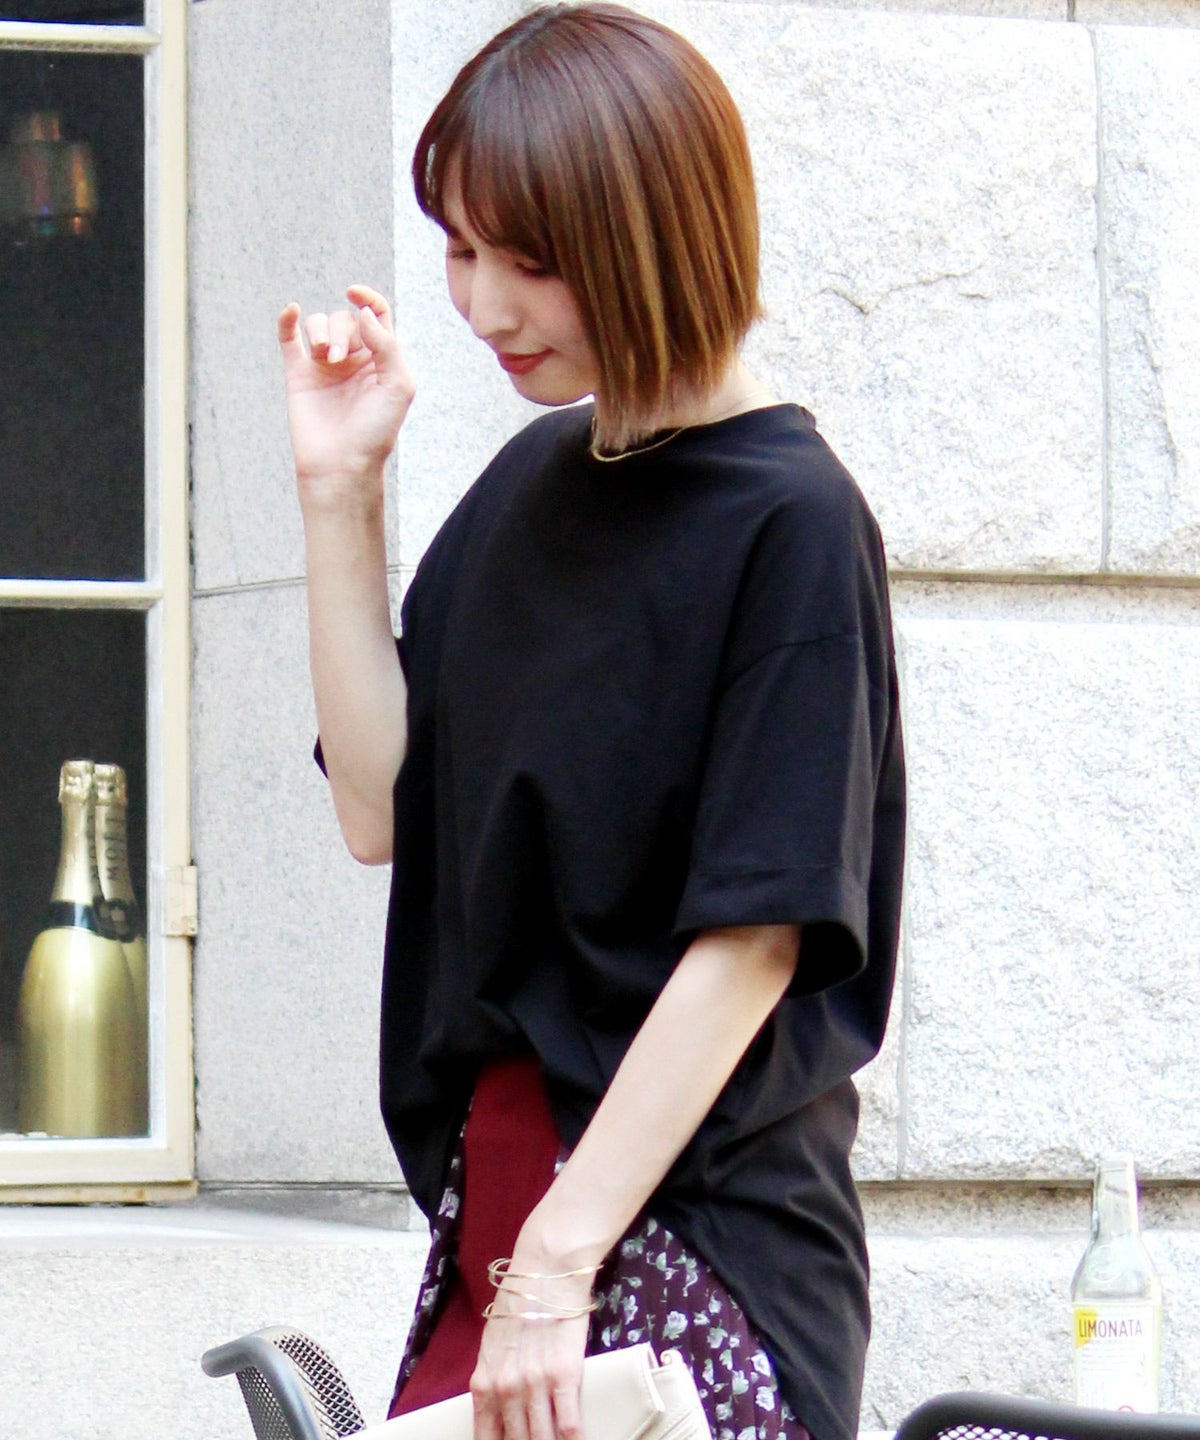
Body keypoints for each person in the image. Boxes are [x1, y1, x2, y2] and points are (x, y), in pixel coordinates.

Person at [277, 8, 906, 1440]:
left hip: (691, 1241)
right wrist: (339, 496)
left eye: (531, 261)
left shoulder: (793, 522)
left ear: (653, 235)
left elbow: (755, 940)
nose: (485, 307)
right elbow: (379, 808)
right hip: (506, 1224)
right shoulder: (530, 487)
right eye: (462, 251)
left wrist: (559, 1263)